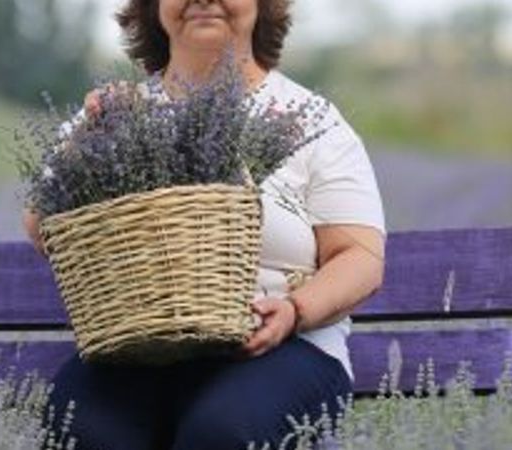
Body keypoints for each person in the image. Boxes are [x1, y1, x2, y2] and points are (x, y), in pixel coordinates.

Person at [22, 0, 386, 448]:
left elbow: (360, 258)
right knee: (85, 428)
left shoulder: (311, 122)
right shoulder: (119, 113)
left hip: (283, 349)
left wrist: (295, 311)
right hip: (137, 347)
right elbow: (43, 229)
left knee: (221, 432)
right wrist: (83, 144)